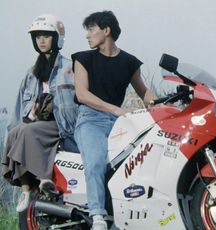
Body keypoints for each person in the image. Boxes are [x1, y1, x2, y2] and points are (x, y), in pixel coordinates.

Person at [72, 10, 156, 230]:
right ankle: (97, 216)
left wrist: (166, 106)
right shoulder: (83, 58)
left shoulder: (128, 62)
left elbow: (145, 93)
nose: (87, 35)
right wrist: (116, 110)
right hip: (90, 119)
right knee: (96, 162)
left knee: (135, 165)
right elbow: (82, 94)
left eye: (91, 29)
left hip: (120, 122)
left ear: (106, 30)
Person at [1, 14, 78, 212]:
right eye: (37, 37)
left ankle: (44, 178)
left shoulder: (70, 68)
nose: (41, 40)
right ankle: (26, 190)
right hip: (36, 122)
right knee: (14, 133)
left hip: (60, 125)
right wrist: (15, 129)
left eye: (46, 35)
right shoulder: (31, 71)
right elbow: (20, 106)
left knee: (28, 132)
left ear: (57, 38)